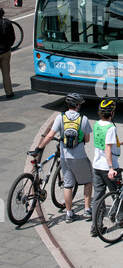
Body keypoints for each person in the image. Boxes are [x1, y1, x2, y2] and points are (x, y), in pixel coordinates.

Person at [36, 93, 93, 223]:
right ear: (78, 106)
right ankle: (87, 210)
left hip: (64, 157)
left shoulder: (60, 118)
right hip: (79, 156)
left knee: (68, 185)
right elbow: (87, 140)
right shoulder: (83, 119)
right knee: (88, 181)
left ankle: (69, 213)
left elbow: (50, 135)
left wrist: (39, 146)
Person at [91, 99, 123, 237]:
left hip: (96, 166)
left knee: (97, 197)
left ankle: (96, 227)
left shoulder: (97, 124)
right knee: (117, 194)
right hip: (108, 167)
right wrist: (111, 168)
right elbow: (107, 148)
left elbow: (106, 142)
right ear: (112, 113)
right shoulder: (111, 127)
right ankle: (121, 220)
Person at [0, 7, 15, 99]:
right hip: (5, 51)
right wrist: (8, 46)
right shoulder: (7, 23)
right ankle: (9, 92)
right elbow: (12, 38)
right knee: (6, 73)